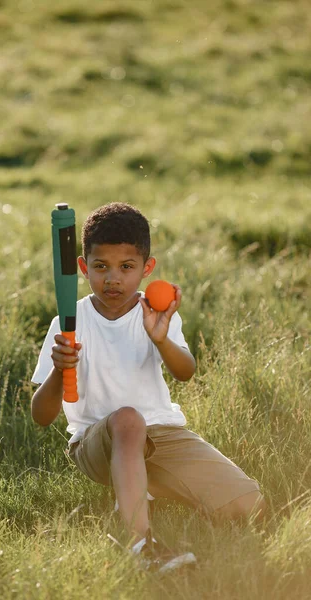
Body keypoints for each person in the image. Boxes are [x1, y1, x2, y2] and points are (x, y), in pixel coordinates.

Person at [31, 203, 265, 570]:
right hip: (98, 443)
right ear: (82, 267)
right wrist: (61, 370)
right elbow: (42, 415)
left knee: (248, 505)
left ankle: (140, 489)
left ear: (147, 269)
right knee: (127, 419)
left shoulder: (154, 315)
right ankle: (141, 544)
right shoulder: (68, 321)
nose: (113, 279)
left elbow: (185, 371)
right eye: (100, 267)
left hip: (160, 434)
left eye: (126, 268)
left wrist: (161, 340)